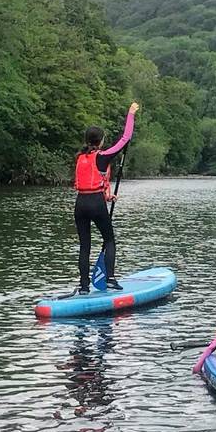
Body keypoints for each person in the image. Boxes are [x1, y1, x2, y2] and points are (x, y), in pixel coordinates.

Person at [73, 102, 139, 294]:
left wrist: (108, 196)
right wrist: (131, 114)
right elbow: (125, 138)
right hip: (95, 203)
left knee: (84, 245)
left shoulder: (80, 157)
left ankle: (84, 286)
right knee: (109, 239)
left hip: (80, 204)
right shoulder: (102, 156)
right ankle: (109, 279)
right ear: (100, 141)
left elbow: (90, 181)